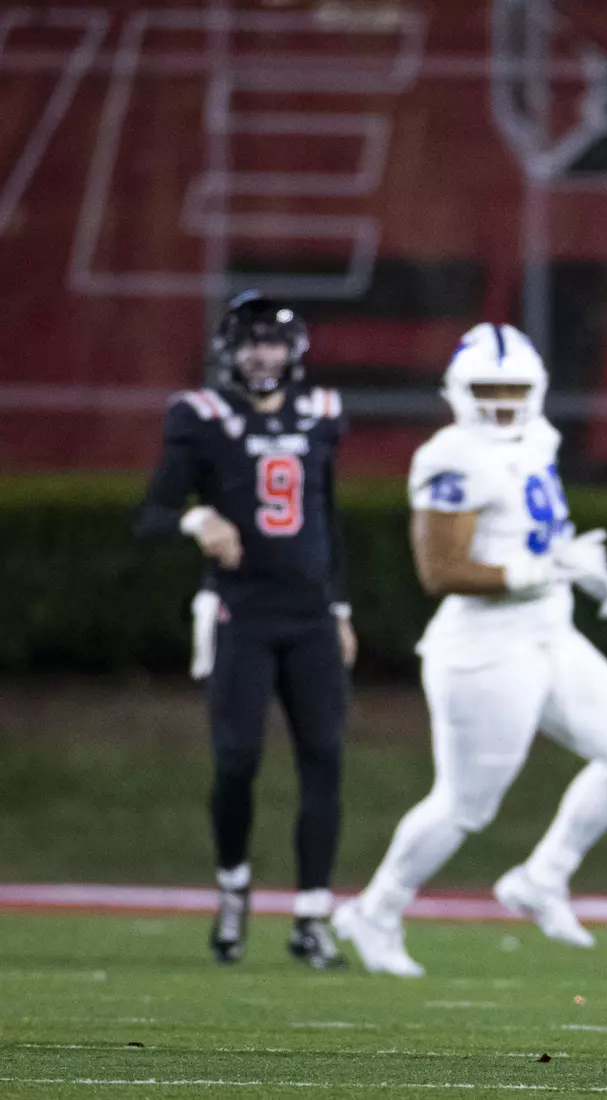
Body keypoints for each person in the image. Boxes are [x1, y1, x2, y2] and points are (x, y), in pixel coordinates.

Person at [332, 323, 607, 978]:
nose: (504, 402)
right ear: (459, 390)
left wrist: (569, 561)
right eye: (489, 388)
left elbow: (531, 529)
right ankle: (375, 910)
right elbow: (440, 569)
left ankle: (542, 879)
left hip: (550, 633)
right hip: (485, 650)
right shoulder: (451, 456)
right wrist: (531, 573)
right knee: (464, 806)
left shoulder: (538, 437)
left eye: (515, 388)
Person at [134, 291, 354, 969]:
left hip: (310, 617)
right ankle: (234, 889)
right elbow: (151, 513)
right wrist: (197, 521)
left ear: (295, 351)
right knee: (236, 764)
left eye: (274, 341)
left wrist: (341, 608)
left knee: (325, 761)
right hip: (240, 614)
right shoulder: (200, 417)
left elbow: (327, 516)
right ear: (231, 349)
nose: (264, 353)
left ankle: (311, 916)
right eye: (253, 340)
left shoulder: (321, 415)